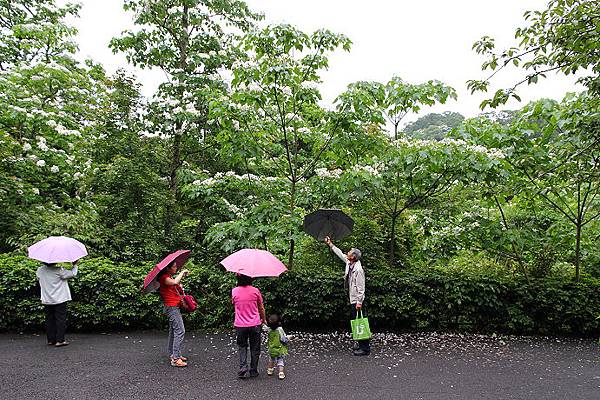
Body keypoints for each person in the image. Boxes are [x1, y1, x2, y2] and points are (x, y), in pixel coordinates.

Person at [324, 236, 370, 356]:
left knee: (360, 322)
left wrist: (359, 302)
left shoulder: (358, 270)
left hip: (357, 300)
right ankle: (360, 345)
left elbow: (361, 288)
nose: (347, 253)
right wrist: (330, 244)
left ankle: (365, 348)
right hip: (353, 298)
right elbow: (340, 254)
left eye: (349, 252)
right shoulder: (350, 263)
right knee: (356, 322)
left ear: (353, 256)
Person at [36, 260, 79, 347]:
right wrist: (74, 265)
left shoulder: (40, 270)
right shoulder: (59, 270)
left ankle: (51, 340)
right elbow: (72, 274)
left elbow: (39, 278)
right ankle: (60, 340)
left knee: (49, 320)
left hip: (47, 299)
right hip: (60, 299)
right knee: (60, 319)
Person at [232, 273, 266, 379]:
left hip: (240, 325)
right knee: (255, 348)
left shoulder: (234, 291)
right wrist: (263, 319)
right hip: (255, 324)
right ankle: (253, 370)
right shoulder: (255, 291)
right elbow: (261, 307)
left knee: (242, 346)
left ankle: (243, 367)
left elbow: (234, 303)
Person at [157, 261, 190, 367]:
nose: (176, 268)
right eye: (174, 267)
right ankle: (175, 359)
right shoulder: (164, 278)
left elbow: (175, 286)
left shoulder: (168, 277)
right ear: (168, 268)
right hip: (171, 308)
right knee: (180, 331)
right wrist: (182, 273)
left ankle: (174, 354)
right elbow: (174, 282)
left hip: (173, 306)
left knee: (173, 331)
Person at [264, 313, 292, 380]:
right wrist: (289, 338)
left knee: (271, 360)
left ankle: (270, 370)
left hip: (271, 349)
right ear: (279, 322)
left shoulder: (268, 329)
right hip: (279, 349)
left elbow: (264, 327)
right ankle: (281, 373)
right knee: (280, 361)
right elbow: (283, 339)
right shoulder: (279, 329)